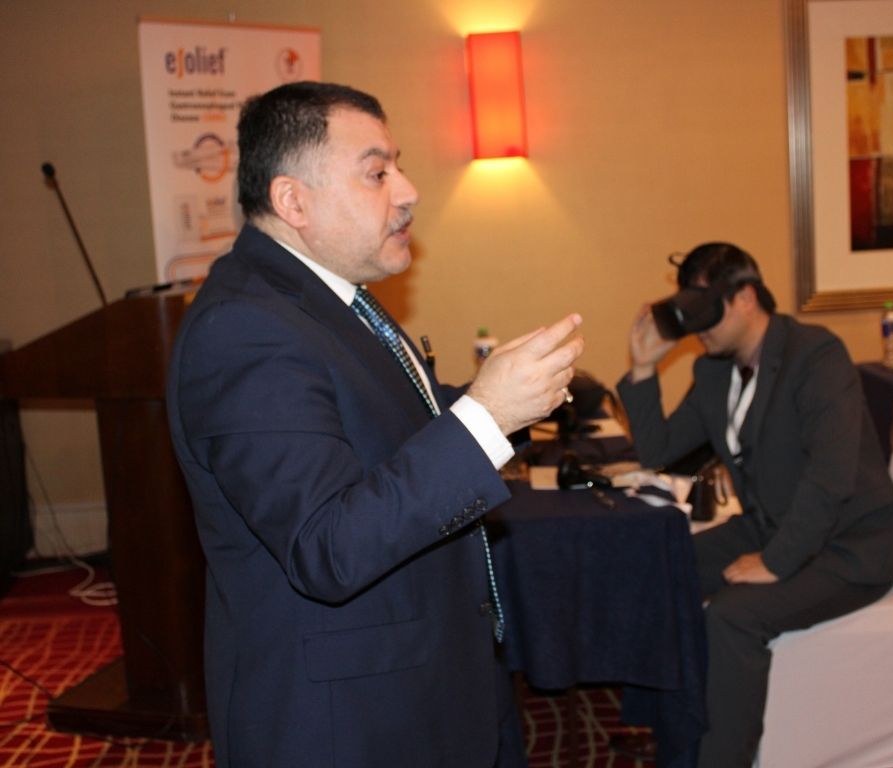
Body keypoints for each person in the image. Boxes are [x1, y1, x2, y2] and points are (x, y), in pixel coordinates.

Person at [166, 81, 584, 768]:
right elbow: (327, 545)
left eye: (399, 166)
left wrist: (512, 402)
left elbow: (389, 427)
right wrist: (486, 416)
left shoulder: (332, 298)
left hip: (421, 686)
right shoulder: (243, 328)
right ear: (293, 201)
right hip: (346, 726)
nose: (409, 191)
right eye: (377, 173)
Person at [617, 242, 893, 767]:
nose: (698, 327)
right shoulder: (715, 373)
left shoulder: (816, 356)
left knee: (733, 618)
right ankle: (671, 728)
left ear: (746, 297)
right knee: (661, 568)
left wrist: (777, 562)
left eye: (705, 308)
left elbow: (831, 476)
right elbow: (660, 451)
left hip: (850, 545)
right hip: (773, 524)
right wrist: (642, 370)